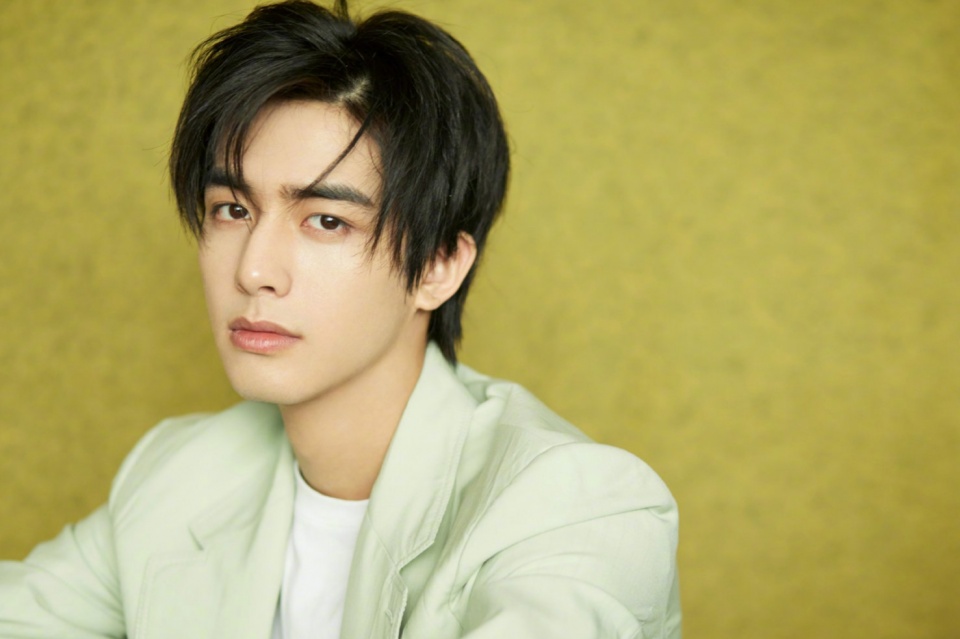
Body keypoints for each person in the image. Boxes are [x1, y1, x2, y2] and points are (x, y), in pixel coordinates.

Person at [0, 1, 681, 637]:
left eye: (326, 220)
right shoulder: (180, 471)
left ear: (439, 265)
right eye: (232, 210)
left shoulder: (575, 505)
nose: (254, 270)